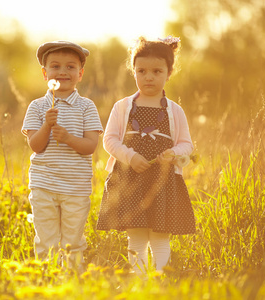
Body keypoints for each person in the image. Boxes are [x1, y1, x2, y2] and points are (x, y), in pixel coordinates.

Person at [96, 36, 196, 275]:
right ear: (133, 72)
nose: (148, 76)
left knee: (160, 236)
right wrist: (130, 156)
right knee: (137, 236)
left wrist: (173, 153)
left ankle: (160, 278)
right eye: (141, 70)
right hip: (130, 180)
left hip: (163, 181)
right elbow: (109, 140)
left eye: (156, 71)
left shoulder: (175, 111)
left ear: (169, 73)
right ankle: (139, 280)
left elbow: (187, 145)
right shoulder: (122, 107)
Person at [21, 41, 103, 270]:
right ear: (45, 73)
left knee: (73, 240)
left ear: (80, 73)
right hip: (44, 184)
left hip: (75, 187)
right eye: (55, 66)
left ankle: (71, 278)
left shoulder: (87, 107)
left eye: (70, 67)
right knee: (46, 240)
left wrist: (67, 138)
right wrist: (47, 126)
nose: (63, 72)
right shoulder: (38, 107)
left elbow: (90, 146)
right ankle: (47, 278)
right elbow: (35, 146)